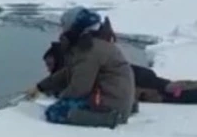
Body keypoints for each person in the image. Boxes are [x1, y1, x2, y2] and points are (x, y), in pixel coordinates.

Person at [27, 6, 135, 128]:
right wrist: (40, 87)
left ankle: (108, 119)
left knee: (55, 112)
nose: (62, 32)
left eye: (65, 27)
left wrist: (61, 99)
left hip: (109, 106)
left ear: (75, 28)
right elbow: (69, 71)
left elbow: (79, 88)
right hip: (112, 99)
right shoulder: (93, 45)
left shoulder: (90, 51)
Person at [44, 41, 197, 105]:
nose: (49, 69)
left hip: (138, 81)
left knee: (169, 92)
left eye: (50, 64)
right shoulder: (77, 65)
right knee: (169, 87)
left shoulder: (78, 69)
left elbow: (79, 88)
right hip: (136, 76)